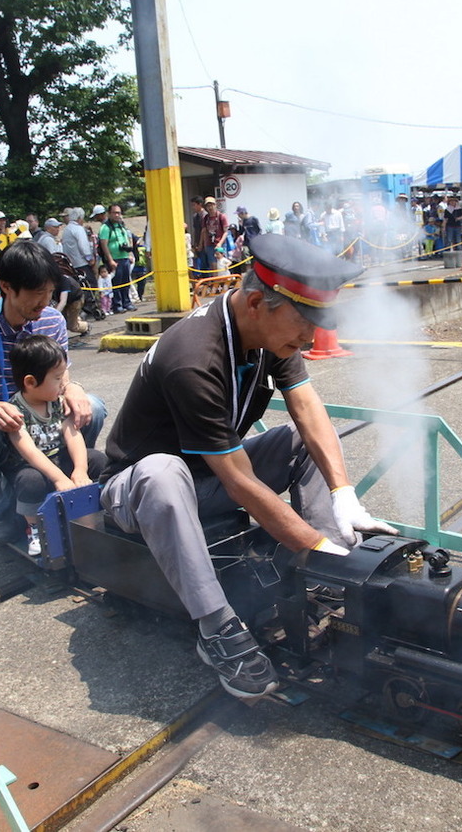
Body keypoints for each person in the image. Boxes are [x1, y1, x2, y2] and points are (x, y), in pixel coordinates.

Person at [99, 233, 397, 699]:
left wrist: (343, 496)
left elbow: (307, 408)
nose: (310, 337)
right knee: (163, 471)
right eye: (304, 324)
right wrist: (309, 543)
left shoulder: (263, 333)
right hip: (143, 492)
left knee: (302, 441)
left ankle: (329, 580)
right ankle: (217, 629)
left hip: (209, 477)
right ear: (258, 302)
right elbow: (237, 480)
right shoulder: (194, 358)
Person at [0, 241, 106, 546]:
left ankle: (73, 482)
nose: (45, 301)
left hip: (41, 425)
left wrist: (73, 388)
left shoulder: (51, 321)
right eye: (36, 292)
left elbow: (62, 379)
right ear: (7, 286)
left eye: (49, 291)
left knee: (92, 407)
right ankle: (2, 506)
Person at [2, 335, 107, 556]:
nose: (63, 384)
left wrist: (80, 469)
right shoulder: (15, 410)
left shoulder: (57, 402)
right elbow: (29, 451)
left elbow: (73, 433)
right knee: (29, 481)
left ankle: (88, 520)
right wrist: (59, 478)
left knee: (97, 459)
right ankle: (34, 528)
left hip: (59, 457)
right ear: (30, 382)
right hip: (33, 467)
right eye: (58, 379)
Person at [98, 204, 136, 313]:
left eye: (119, 212)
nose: (117, 215)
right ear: (109, 214)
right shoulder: (105, 227)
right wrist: (110, 260)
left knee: (126, 282)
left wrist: (129, 254)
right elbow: (104, 244)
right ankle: (117, 305)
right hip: (114, 259)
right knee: (116, 283)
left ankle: (127, 302)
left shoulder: (121, 226)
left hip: (124, 258)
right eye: (115, 213)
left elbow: (126, 239)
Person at [61, 208, 95, 282]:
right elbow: (84, 247)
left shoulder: (66, 229)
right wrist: (90, 259)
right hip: (82, 264)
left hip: (71, 265)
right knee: (91, 285)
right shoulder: (78, 229)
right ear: (79, 218)